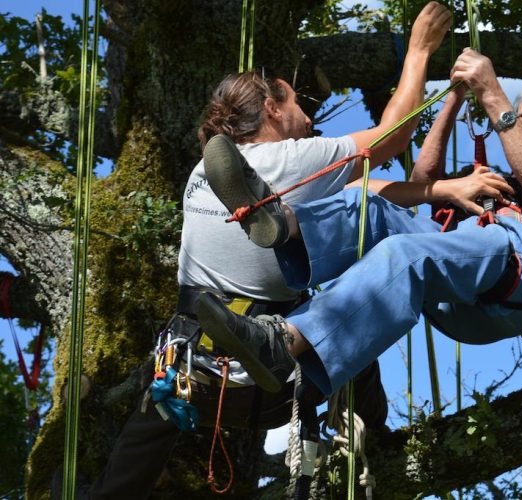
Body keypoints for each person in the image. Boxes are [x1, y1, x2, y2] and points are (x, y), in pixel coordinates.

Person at [78, 4, 457, 498]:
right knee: (359, 312)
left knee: (146, 429)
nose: (309, 115)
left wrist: (440, 191)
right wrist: (419, 50)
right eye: (298, 102)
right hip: (273, 381)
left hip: (192, 366)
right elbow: (392, 136)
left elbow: (364, 192)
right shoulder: (296, 158)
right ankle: (375, 445)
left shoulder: (202, 172)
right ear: (273, 108)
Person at [193, 49, 522, 399]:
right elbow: (423, 184)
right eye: (521, 112)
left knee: (405, 253)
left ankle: (282, 344)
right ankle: (281, 220)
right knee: (373, 209)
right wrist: (454, 99)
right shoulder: (503, 181)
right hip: (464, 279)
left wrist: (494, 94)